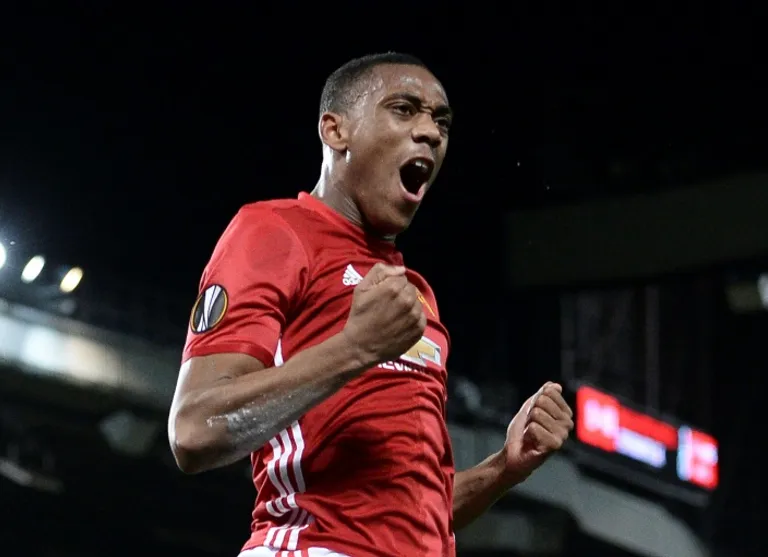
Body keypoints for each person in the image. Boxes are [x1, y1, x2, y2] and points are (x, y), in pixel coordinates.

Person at [168, 52, 574, 557]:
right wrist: (355, 348)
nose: (430, 132)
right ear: (336, 131)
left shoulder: (414, 294)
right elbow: (194, 431)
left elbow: (409, 513)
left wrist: (504, 468)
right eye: (404, 109)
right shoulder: (276, 232)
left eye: (441, 121)